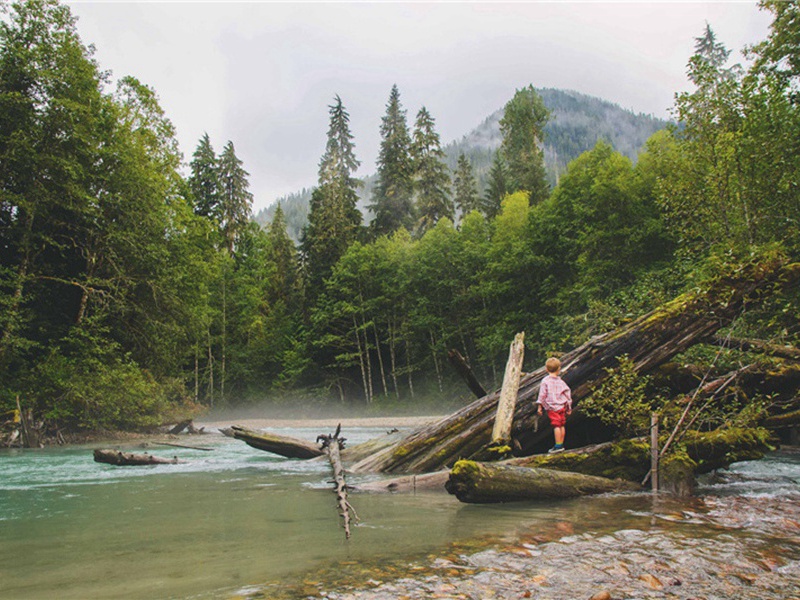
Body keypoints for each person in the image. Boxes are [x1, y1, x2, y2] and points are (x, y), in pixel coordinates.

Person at [537, 357, 572, 453]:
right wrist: (569, 407)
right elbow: (567, 394)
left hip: (552, 408)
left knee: (556, 426)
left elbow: (542, 394)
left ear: (546, 369)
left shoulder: (545, 381)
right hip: (562, 406)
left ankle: (558, 446)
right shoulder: (561, 382)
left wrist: (540, 406)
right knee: (562, 425)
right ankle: (561, 444)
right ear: (559, 369)